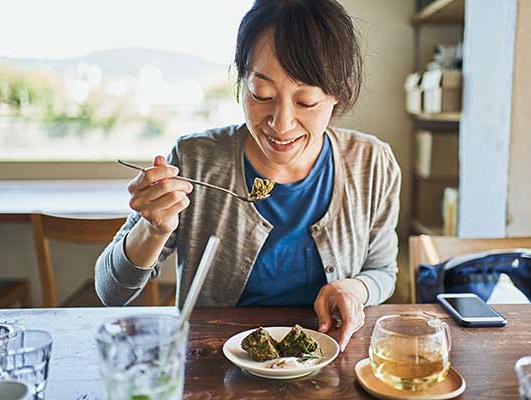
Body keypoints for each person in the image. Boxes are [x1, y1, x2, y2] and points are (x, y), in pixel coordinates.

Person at [95, 0, 400, 352]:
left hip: (332, 363)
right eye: (262, 94)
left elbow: (383, 271)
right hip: (211, 367)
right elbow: (111, 290)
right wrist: (152, 229)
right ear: (242, 81)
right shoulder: (196, 159)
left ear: (337, 96)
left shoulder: (372, 163)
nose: (281, 124)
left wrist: (355, 289)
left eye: (306, 102)